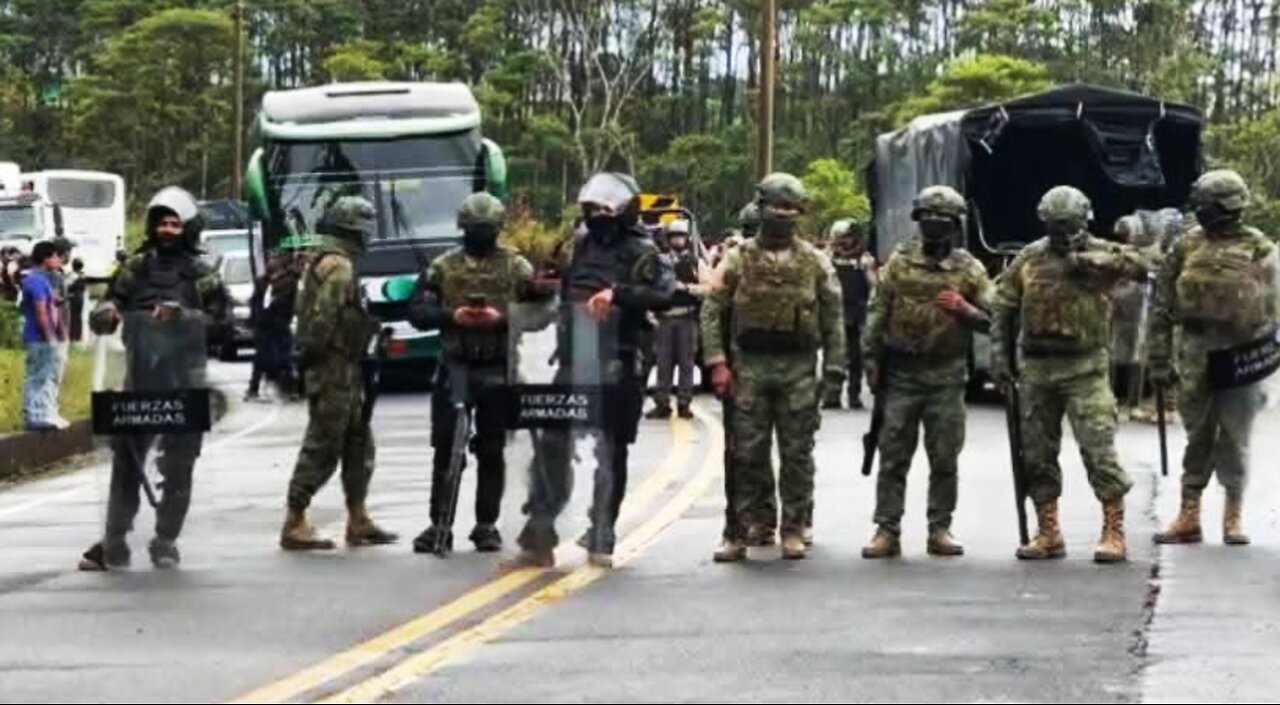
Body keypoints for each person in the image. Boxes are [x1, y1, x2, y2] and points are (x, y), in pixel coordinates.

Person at [508, 172, 673, 569]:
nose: (598, 214)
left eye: (606, 208)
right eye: (593, 208)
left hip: (619, 360)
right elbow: (561, 289)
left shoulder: (643, 250)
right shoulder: (579, 244)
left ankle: (603, 530)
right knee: (552, 444)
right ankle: (540, 530)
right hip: (573, 359)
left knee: (611, 449)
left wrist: (618, 294)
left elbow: (663, 292)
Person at [991, 185, 1149, 564]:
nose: (1063, 233)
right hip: (1037, 368)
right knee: (1037, 453)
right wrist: (1000, 358)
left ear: (1085, 220)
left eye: (1070, 225)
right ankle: (1047, 531)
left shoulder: (1100, 252)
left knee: (1099, 449)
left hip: (1086, 367)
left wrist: (1096, 261)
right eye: (1056, 226)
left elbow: (1141, 268)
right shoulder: (1029, 258)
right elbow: (1003, 306)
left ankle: (1114, 530)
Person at [78, 187, 229, 571]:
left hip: (185, 383)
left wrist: (186, 317)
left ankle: (166, 539)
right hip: (139, 379)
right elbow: (108, 303)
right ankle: (114, 538)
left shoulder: (202, 274)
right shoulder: (135, 268)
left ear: (188, 227)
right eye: (161, 222)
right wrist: (107, 313)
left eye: (175, 223)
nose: (167, 229)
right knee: (126, 463)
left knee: (180, 464)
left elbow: (223, 323)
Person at [702, 173, 845, 562]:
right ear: (761, 208)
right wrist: (717, 363)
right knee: (745, 452)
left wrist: (834, 369)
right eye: (776, 207)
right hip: (749, 366)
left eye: (790, 209)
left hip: (798, 367)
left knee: (798, 452)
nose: (782, 216)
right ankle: (741, 529)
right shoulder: (738, 256)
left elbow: (833, 316)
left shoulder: (815, 261)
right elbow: (712, 310)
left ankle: (794, 527)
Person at [408, 193, 550, 554]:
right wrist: (450, 316)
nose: (480, 235)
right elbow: (416, 311)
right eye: (475, 229)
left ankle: (485, 524)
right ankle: (439, 523)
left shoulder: (517, 268)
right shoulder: (442, 267)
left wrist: (502, 320)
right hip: (454, 365)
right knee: (445, 448)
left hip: (497, 368)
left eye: (485, 230)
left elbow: (544, 314)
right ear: (463, 228)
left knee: (491, 449)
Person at [860, 186, 992, 559]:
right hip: (901, 374)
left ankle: (940, 528)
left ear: (954, 226)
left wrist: (965, 309)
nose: (934, 229)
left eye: (942, 222)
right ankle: (887, 528)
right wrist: (870, 360)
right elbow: (878, 313)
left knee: (945, 456)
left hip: (946, 376)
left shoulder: (969, 268)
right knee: (893, 456)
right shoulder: (900, 263)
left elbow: (996, 317)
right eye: (928, 221)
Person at [1151, 170, 1278, 547]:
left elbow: (1274, 307)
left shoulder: (1260, 247)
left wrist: (1265, 353)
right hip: (1195, 351)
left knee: (1235, 437)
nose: (1200, 212)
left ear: (1225, 207)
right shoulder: (1186, 245)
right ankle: (1189, 514)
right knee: (1198, 434)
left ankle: (1233, 514)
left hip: (1241, 354)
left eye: (1206, 206)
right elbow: (1162, 306)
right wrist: (1158, 359)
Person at [279, 196, 398, 551]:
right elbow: (321, 320)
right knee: (323, 444)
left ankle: (358, 518)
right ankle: (294, 520)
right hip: (334, 366)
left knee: (359, 444)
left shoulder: (325, 261)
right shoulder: (339, 267)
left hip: (346, 364)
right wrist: (318, 359)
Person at [647, 219, 703, 420]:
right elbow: (649, 289)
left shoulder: (695, 262)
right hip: (664, 319)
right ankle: (662, 403)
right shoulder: (659, 263)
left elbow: (708, 288)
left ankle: (684, 403)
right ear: (668, 239)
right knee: (664, 363)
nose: (678, 240)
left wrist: (686, 288)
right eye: (674, 237)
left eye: (681, 236)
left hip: (687, 317)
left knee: (687, 363)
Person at [824, 219, 878, 410]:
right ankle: (831, 395)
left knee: (857, 358)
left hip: (857, 314)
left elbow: (875, 288)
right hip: (834, 313)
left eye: (846, 238)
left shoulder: (864, 260)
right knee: (834, 357)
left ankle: (854, 395)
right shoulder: (827, 259)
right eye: (839, 239)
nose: (843, 243)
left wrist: (867, 270)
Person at [21, 241, 65, 431]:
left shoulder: (42, 279)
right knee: (38, 377)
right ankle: (35, 415)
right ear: (45, 258)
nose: (58, 260)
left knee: (48, 376)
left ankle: (47, 412)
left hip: (44, 337)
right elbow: (41, 313)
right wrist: (50, 339)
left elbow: (50, 303)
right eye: (55, 256)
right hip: (39, 338)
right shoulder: (36, 280)